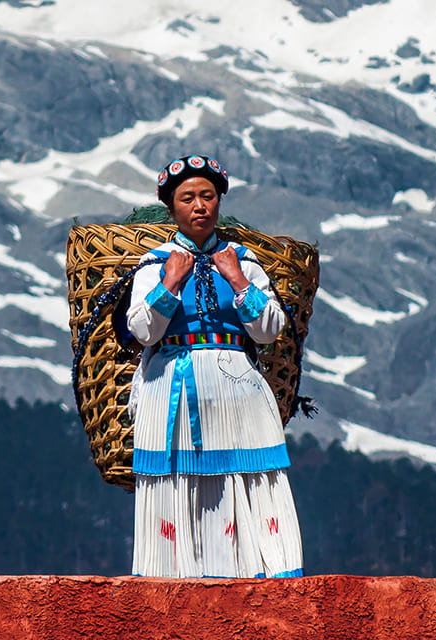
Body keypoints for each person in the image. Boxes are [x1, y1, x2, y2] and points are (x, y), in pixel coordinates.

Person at [125, 154, 303, 578]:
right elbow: (143, 331)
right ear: (171, 208)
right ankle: (172, 581)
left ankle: (263, 576)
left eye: (207, 196)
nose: (199, 206)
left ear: (219, 201)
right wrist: (171, 281)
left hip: (238, 391)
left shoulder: (244, 261)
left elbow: (269, 329)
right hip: (172, 387)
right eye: (187, 198)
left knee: (252, 474)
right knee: (175, 482)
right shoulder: (154, 264)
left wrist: (237, 279)